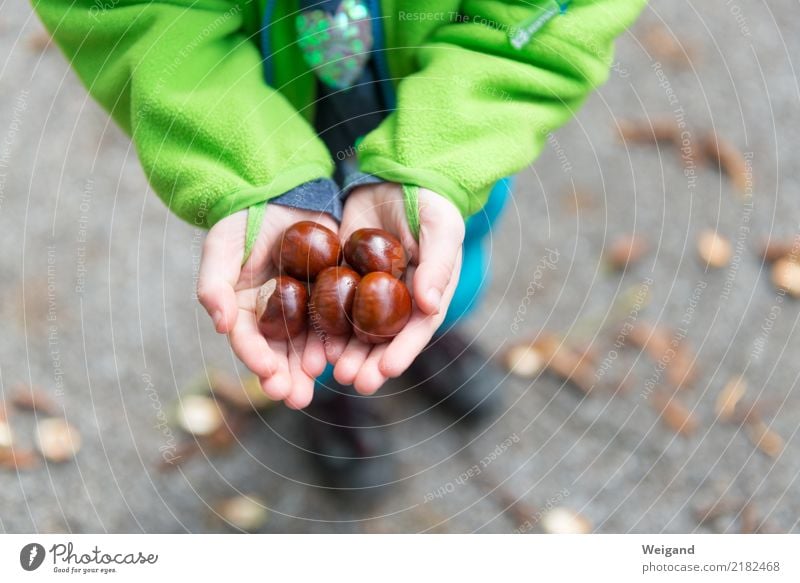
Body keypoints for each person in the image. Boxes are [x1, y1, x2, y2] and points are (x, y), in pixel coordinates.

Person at [34, 0, 646, 492]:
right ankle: (330, 400)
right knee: (320, 342)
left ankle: (435, 330)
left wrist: (441, 154)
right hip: (275, 125)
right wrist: (244, 162)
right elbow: (136, 16)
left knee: (441, 265)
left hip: (443, 140)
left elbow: (547, 14)